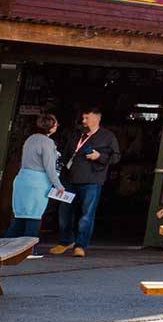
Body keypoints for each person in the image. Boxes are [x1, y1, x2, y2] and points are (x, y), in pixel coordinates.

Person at [49, 108, 120, 258]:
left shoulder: (108, 136)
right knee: (64, 211)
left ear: (96, 118)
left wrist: (99, 156)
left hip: (92, 180)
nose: (84, 121)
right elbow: (67, 151)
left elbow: (116, 157)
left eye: (86, 118)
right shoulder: (77, 133)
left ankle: (80, 245)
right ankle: (65, 241)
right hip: (69, 178)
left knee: (87, 214)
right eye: (83, 118)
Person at [8, 113, 62, 239]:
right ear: (52, 126)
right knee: (34, 217)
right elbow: (49, 167)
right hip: (37, 183)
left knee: (20, 218)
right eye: (56, 123)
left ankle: (6, 248)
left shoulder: (30, 139)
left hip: (22, 179)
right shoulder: (48, 142)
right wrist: (58, 185)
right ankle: (29, 249)